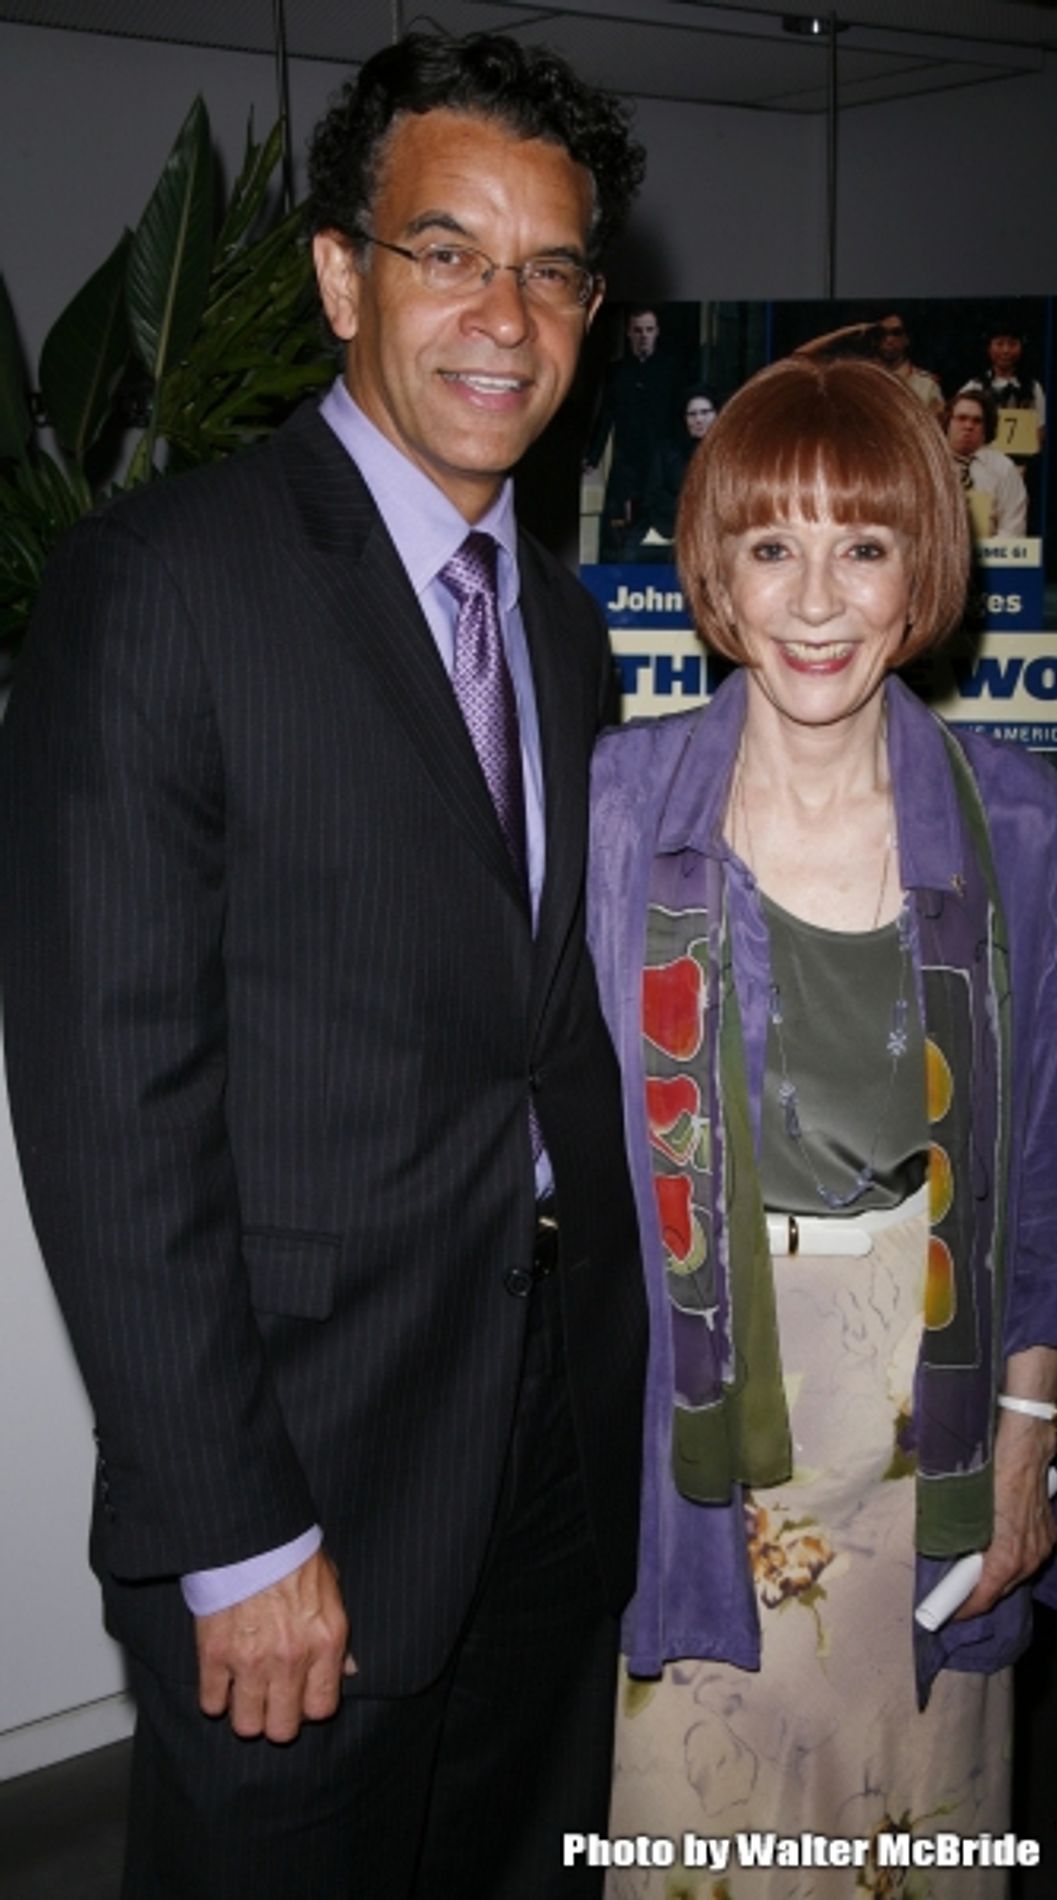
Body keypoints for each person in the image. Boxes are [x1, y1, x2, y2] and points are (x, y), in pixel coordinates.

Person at [0, 31, 648, 1900]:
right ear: (344, 275)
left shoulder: (560, 623)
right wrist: (233, 1532)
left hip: (548, 1444)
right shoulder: (162, 587)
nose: (503, 316)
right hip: (307, 1475)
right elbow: (109, 1112)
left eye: (550, 270)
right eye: (449, 251)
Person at [587, 352, 1057, 1894]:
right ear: (718, 573)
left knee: (915, 1844)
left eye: (865, 546)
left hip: (933, 1432)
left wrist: (1027, 1444)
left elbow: (1053, 1164)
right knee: (706, 1849)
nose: (817, 599)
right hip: (699, 1442)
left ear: (922, 573)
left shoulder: (1013, 818)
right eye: (772, 547)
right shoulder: (625, 809)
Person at [585, 306, 687, 558]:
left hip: (660, 463)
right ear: (629, 334)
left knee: (661, 528)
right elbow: (606, 415)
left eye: (649, 330)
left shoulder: (671, 369)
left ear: (657, 332)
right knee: (617, 529)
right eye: (638, 330)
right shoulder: (617, 371)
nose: (644, 336)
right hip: (626, 461)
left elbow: (678, 416)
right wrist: (592, 456)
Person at [637, 383, 720, 554]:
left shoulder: (730, 454)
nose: (698, 419)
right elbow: (653, 495)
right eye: (692, 414)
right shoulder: (667, 452)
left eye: (705, 412)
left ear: (717, 414)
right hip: (671, 534)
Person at [945, 387, 1029, 538]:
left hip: (990, 556)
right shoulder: (928, 464)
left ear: (986, 427)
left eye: (977, 421)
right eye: (961, 418)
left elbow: (1013, 529)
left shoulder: (1004, 467)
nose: (968, 426)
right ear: (948, 422)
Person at [961, 320, 1046, 454]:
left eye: (1012, 344)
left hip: (1021, 463)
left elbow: (1040, 429)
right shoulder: (975, 386)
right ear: (989, 348)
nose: (1006, 350)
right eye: (999, 344)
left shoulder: (1033, 387)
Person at [872, 309, 943, 413]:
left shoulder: (927, 387)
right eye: (881, 333)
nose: (888, 339)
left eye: (896, 333)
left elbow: (936, 427)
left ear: (907, 339)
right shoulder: (862, 380)